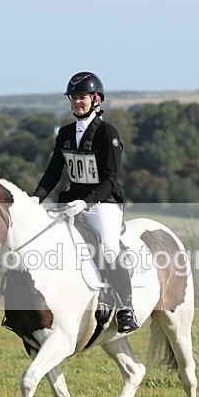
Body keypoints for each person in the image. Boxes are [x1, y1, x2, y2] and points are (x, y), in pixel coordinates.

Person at [32, 71, 139, 334]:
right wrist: (35, 198)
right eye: (74, 97)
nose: (77, 102)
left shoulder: (107, 133)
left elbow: (111, 180)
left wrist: (86, 202)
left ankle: (126, 308)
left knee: (110, 250)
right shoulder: (65, 133)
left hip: (103, 203)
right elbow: (53, 172)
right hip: (71, 202)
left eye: (82, 97)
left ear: (96, 99)